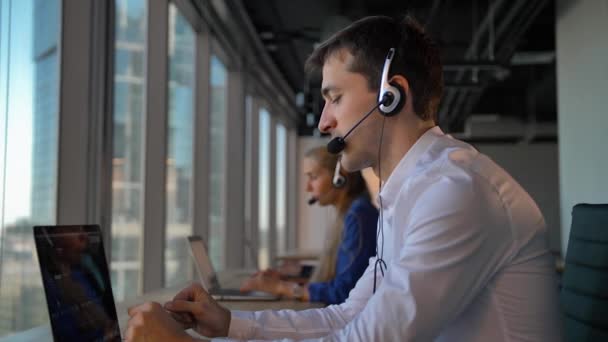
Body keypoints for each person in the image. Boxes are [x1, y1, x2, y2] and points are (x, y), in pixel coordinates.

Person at [126, 15, 562, 341]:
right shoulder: (408, 195)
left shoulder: (455, 192)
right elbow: (346, 317)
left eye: (334, 98)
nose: (324, 122)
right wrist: (231, 324)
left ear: (391, 97)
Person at [240, 146, 378, 305]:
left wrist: (281, 287)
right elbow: (347, 271)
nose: (308, 187)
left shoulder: (359, 216)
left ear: (340, 177)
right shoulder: (351, 212)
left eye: (313, 177)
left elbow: (345, 291)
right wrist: (297, 271)